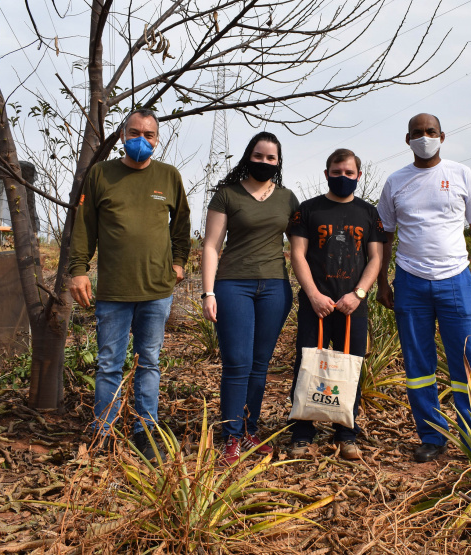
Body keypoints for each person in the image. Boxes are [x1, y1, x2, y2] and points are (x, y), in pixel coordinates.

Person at [68, 108, 191, 461]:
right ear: (123, 135)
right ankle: (104, 430)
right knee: (109, 362)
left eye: (148, 135)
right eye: (134, 132)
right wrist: (78, 270)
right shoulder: (101, 174)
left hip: (157, 289)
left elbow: (181, 224)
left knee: (149, 361)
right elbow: (84, 227)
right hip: (114, 291)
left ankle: (145, 429)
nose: (141, 140)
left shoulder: (168, 176)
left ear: (157, 140)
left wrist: (179, 263)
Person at [376, 113, 471, 463]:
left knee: (469, 358)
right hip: (410, 280)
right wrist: (384, 281)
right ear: (407, 139)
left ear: (442, 136)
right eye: (417, 133)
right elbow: (385, 234)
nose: (424, 137)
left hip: (456, 279)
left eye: (430, 132)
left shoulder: (460, 174)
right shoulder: (395, 182)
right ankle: (432, 435)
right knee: (418, 364)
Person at [202, 132, 299, 465]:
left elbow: (301, 248)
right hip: (233, 286)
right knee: (237, 363)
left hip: (274, 287)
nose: (264, 162)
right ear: (248, 156)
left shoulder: (287, 198)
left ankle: (250, 430)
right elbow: (212, 246)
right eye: (259, 156)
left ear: (278, 162)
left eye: (271, 158)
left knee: (260, 366)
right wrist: (209, 291)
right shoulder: (227, 195)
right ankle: (231, 436)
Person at [286, 148, 385, 461]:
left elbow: (376, 258)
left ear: (358, 175)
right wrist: (314, 294)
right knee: (307, 366)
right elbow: (297, 254)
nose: (343, 177)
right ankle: (302, 432)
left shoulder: (369, 214)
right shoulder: (307, 210)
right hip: (316, 305)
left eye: (349, 173)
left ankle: (347, 433)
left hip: (351, 306)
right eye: (337, 172)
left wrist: (357, 294)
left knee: (350, 368)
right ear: (326, 173)